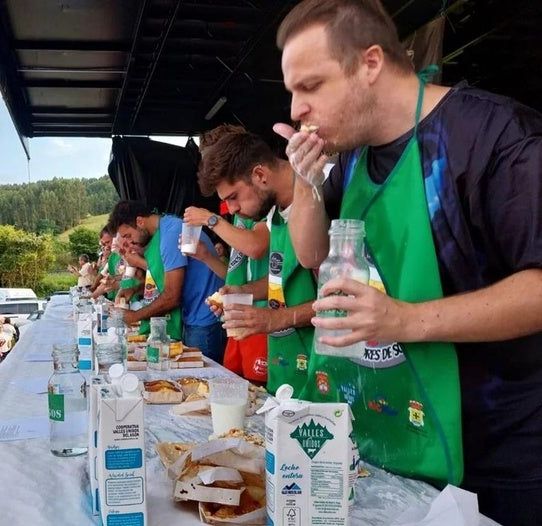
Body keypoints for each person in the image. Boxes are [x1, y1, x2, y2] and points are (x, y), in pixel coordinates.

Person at [273, 1, 542, 523]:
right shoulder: (349, 153)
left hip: (497, 454)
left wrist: (406, 320)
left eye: (310, 87)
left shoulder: (497, 138)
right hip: (385, 435)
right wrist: (306, 183)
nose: (295, 110)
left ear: (370, 63)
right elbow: (311, 254)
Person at [194, 125, 316, 394]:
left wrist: (275, 319)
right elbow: (280, 279)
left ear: (259, 174)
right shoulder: (275, 216)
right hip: (286, 368)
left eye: (233, 198)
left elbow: (346, 301)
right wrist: (243, 291)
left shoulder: (324, 195)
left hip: (323, 373)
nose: (233, 209)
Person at [108, 200, 226, 362]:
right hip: (193, 317)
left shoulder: (170, 234)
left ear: (140, 221)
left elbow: (172, 296)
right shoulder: (165, 228)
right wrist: (135, 289)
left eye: (128, 235)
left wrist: (135, 316)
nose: (132, 242)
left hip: (205, 319)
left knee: (202, 378)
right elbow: (164, 281)